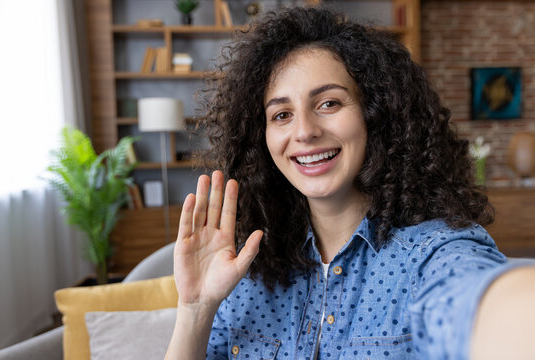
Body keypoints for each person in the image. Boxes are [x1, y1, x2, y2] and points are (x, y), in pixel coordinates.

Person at [165, 7, 535, 360]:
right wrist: (196, 309)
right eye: (281, 114)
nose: (305, 131)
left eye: (329, 103)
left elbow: (484, 303)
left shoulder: (432, 254)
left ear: (375, 113)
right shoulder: (246, 266)